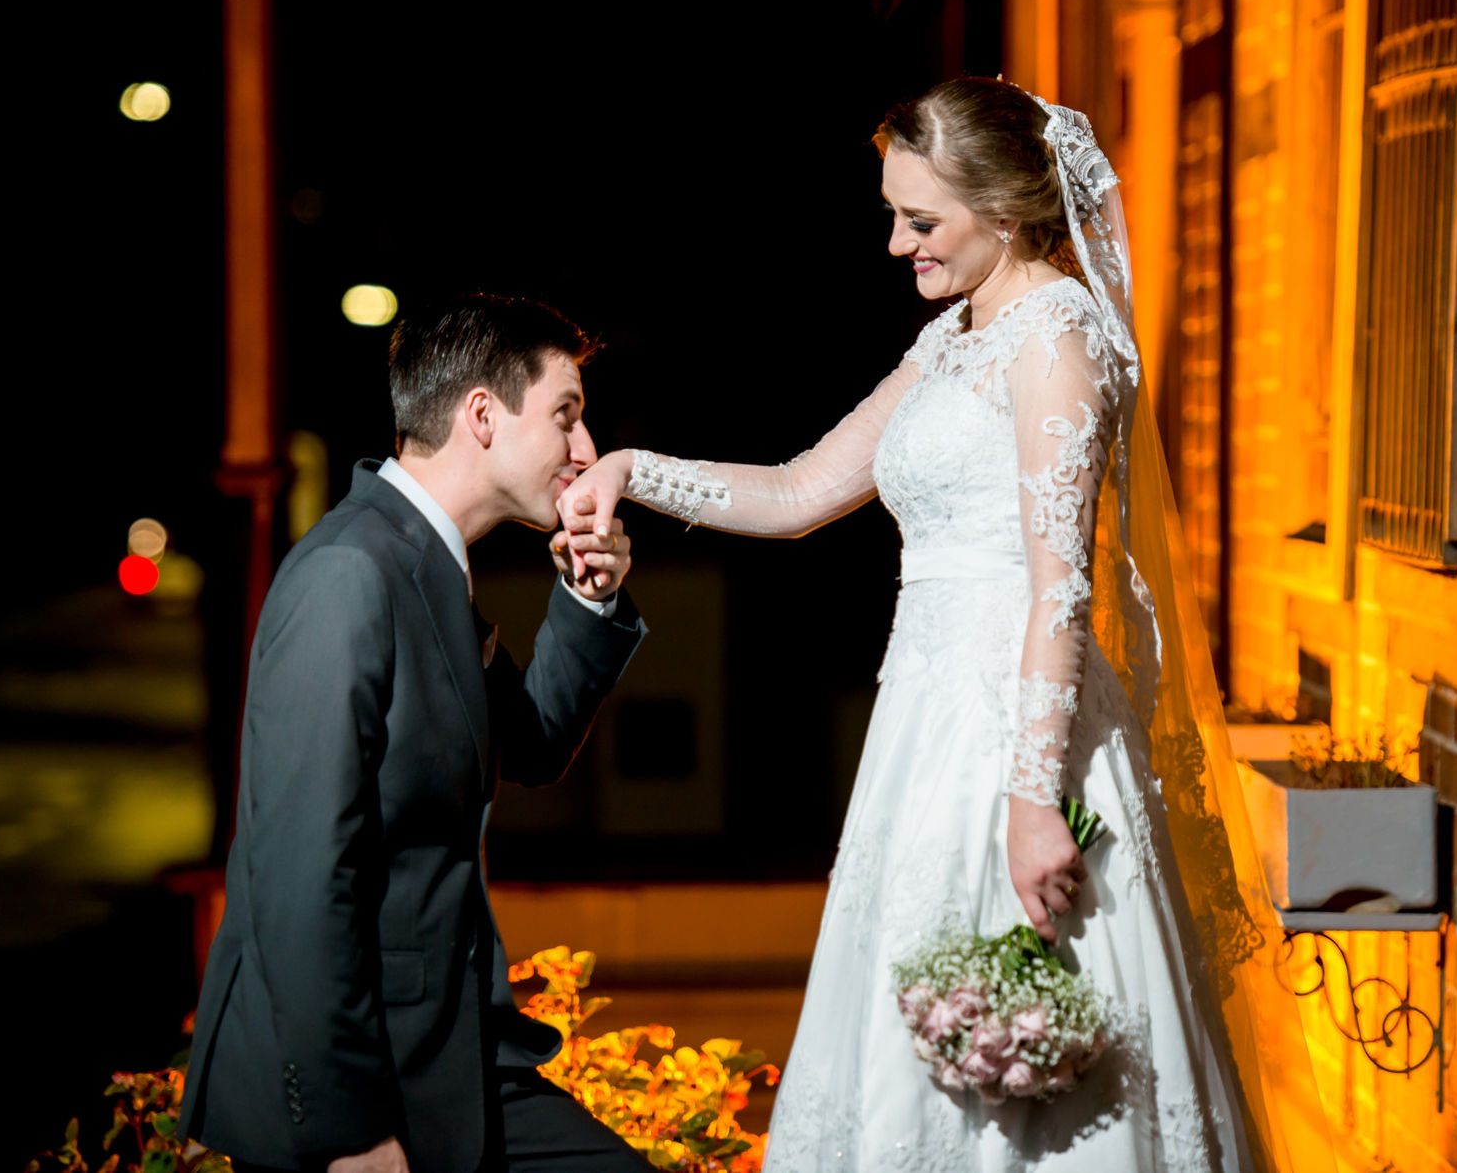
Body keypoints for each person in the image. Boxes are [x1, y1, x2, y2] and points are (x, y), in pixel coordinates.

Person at [554, 80, 1331, 1171]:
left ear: (1006, 210)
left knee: (1041, 1082)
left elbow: (1061, 586)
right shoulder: (953, 337)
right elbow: (796, 491)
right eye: (893, 213)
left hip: (1020, 738)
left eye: (921, 220)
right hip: (921, 733)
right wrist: (634, 471)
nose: (895, 244)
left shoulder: (1057, 335)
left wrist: (1031, 800)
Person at [177, 295, 653, 1173]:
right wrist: (346, 1131)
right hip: (358, 1076)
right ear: (482, 415)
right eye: (567, 416)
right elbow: (298, 873)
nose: (587, 452)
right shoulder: (351, 574)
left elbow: (536, 744)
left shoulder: (427, 567)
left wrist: (589, 598)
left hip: (453, 1051)